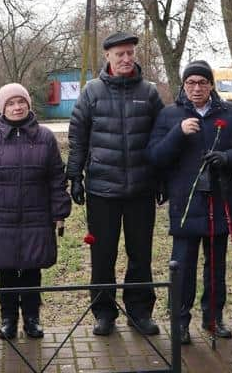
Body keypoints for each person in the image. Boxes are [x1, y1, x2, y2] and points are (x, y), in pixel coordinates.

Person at [147, 60, 232, 345]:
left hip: (220, 199)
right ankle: (180, 321)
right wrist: (178, 133)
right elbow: (155, 156)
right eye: (191, 83)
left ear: (211, 85)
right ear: (183, 86)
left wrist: (228, 157)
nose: (197, 88)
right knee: (182, 266)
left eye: (202, 83)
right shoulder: (170, 115)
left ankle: (213, 318)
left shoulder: (231, 114)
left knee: (216, 266)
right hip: (185, 201)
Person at [67, 31, 164, 336]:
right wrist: (75, 177)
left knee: (140, 255)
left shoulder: (148, 93)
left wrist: (159, 177)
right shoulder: (91, 93)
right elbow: (77, 137)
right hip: (102, 190)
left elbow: (160, 139)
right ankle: (104, 312)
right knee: (103, 255)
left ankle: (139, 312)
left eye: (130, 53)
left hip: (140, 190)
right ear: (107, 56)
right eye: (119, 54)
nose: (125, 59)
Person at [0, 83, 71, 340]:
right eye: (10, 103)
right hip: (1, 219)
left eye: (20, 102)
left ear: (28, 105)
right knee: (6, 272)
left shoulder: (45, 137)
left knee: (33, 272)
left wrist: (59, 213)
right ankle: (8, 319)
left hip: (37, 217)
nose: (16, 107)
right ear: (2, 108)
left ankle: (32, 319)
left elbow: (57, 178)